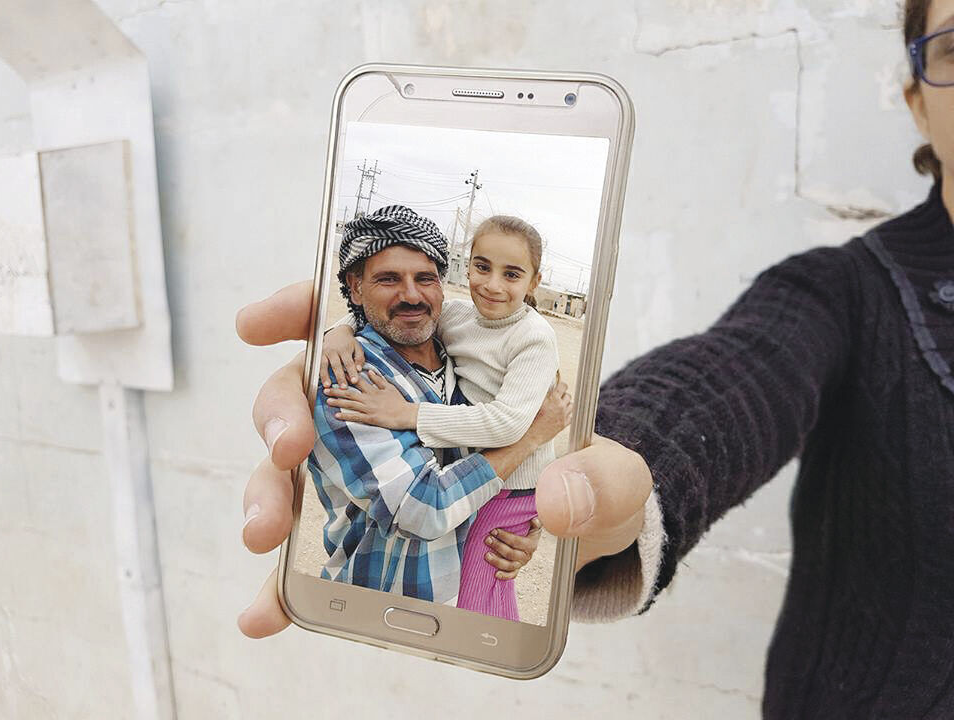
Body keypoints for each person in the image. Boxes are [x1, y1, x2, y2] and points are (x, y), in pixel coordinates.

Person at [237, 0, 953, 714]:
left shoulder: (529, 337)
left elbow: (504, 426)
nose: (484, 285)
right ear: (917, 102)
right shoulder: (838, 294)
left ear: (535, 283)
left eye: (509, 274)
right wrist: (608, 480)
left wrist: (454, 423)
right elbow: (720, 383)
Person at [302, 204, 572, 605]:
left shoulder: (448, 350)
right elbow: (428, 507)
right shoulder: (349, 378)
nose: (412, 295)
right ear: (355, 288)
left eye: (425, 278)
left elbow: (496, 426)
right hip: (376, 603)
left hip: (493, 516)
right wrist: (338, 330)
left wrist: (522, 520)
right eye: (388, 279)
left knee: (487, 611)